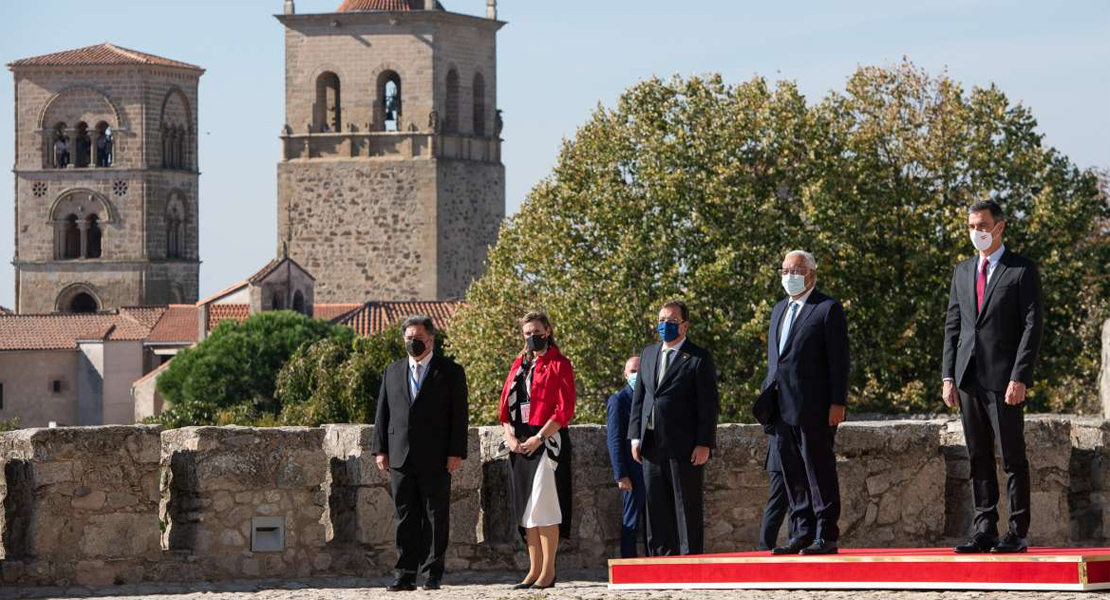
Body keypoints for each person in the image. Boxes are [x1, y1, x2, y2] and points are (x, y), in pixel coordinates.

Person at [943, 200, 1043, 554]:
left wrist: (1021, 375)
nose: (976, 233)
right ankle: (984, 527)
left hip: (1005, 381)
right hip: (967, 378)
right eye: (971, 226)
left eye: (982, 226)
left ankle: (1017, 532)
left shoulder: (1021, 270)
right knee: (978, 455)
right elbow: (953, 325)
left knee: (1013, 457)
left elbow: (1033, 326)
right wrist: (947, 376)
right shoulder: (963, 271)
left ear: (999, 226)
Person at [371, 315, 469, 592]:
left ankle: (432, 574)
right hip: (400, 455)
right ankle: (404, 574)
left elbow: (459, 417)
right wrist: (380, 449)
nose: (413, 343)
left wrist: (456, 452)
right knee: (405, 517)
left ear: (431, 340)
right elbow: (383, 413)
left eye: (418, 339)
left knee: (435, 517)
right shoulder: (393, 371)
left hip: (437, 457)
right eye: (409, 339)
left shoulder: (450, 372)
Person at [763, 250, 849, 556]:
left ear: (810, 274)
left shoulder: (827, 309)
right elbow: (777, 359)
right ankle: (801, 532)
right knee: (792, 472)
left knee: (818, 469)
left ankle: (826, 534)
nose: (788, 277)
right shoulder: (779, 310)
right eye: (784, 271)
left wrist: (837, 402)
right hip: (781, 406)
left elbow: (838, 361)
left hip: (814, 407)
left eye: (794, 271)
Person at [629, 300, 719, 556]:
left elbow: (708, 405)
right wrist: (634, 437)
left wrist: (704, 443)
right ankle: (659, 560)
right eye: (661, 320)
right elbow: (640, 399)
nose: (664, 325)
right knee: (655, 505)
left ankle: (689, 561)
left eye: (671, 321)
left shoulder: (699, 358)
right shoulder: (648, 354)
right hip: (650, 444)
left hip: (685, 445)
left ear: (685, 325)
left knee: (686, 505)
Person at [499, 311, 575, 590]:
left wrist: (540, 438)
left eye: (537, 332)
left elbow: (564, 409)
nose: (532, 337)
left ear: (548, 331)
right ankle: (533, 570)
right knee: (528, 512)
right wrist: (509, 436)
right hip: (519, 445)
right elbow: (505, 407)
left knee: (544, 509)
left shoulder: (560, 364)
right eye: (527, 333)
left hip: (547, 443)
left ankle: (548, 571)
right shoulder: (519, 365)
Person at [606, 355, 646, 558]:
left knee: (653, 521)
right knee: (631, 520)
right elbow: (614, 440)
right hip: (631, 472)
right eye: (632, 371)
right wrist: (620, 474)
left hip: (651, 470)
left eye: (640, 370)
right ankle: (628, 564)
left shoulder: (650, 398)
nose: (637, 375)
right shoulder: (618, 400)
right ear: (625, 374)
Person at [757, 423, 790, 551]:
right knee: (777, 504)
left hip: (783, 452)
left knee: (796, 503)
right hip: (780, 452)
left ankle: (796, 542)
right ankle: (765, 547)